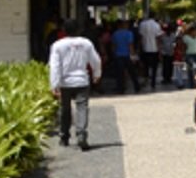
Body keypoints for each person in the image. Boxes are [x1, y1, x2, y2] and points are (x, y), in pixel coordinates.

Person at [49, 19, 103, 151]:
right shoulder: (86, 43)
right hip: (82, 81)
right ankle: (81, 134)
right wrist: (97, 74)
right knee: (82, 108)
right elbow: (95, 60)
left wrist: (54, 84)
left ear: (64, 30)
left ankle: (64, 137)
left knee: (65, 110)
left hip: (65, 82)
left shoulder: (57, 45)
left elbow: (55, 66)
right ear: (79, 30)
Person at [110, 18, 140, 94]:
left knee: (120, 73)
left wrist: (113, 54)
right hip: (127, 55)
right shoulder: (129, 33)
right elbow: (130, 45)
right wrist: (133, 55)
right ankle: (136, 86)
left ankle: (120, 88)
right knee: (132, 72)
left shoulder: (115, 34)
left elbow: (113, 46)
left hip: (118, 55)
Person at [137, 14, 162, 89]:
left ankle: (145, 80)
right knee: (154, 67)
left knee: (145, 66)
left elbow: (140, 37)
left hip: (145, 48)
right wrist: (159, 50)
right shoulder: (157, 25)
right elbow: (158, 38)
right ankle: (153, 83)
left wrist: (140, 47)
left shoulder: (142, 24)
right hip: (154, 49)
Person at [181, 22, 196, 90]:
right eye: (194, 31)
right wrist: (183, 55)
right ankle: (191, 84)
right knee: (192, 69)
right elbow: (184, 47)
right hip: (189, 55)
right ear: (191, 31)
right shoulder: (186, 38)